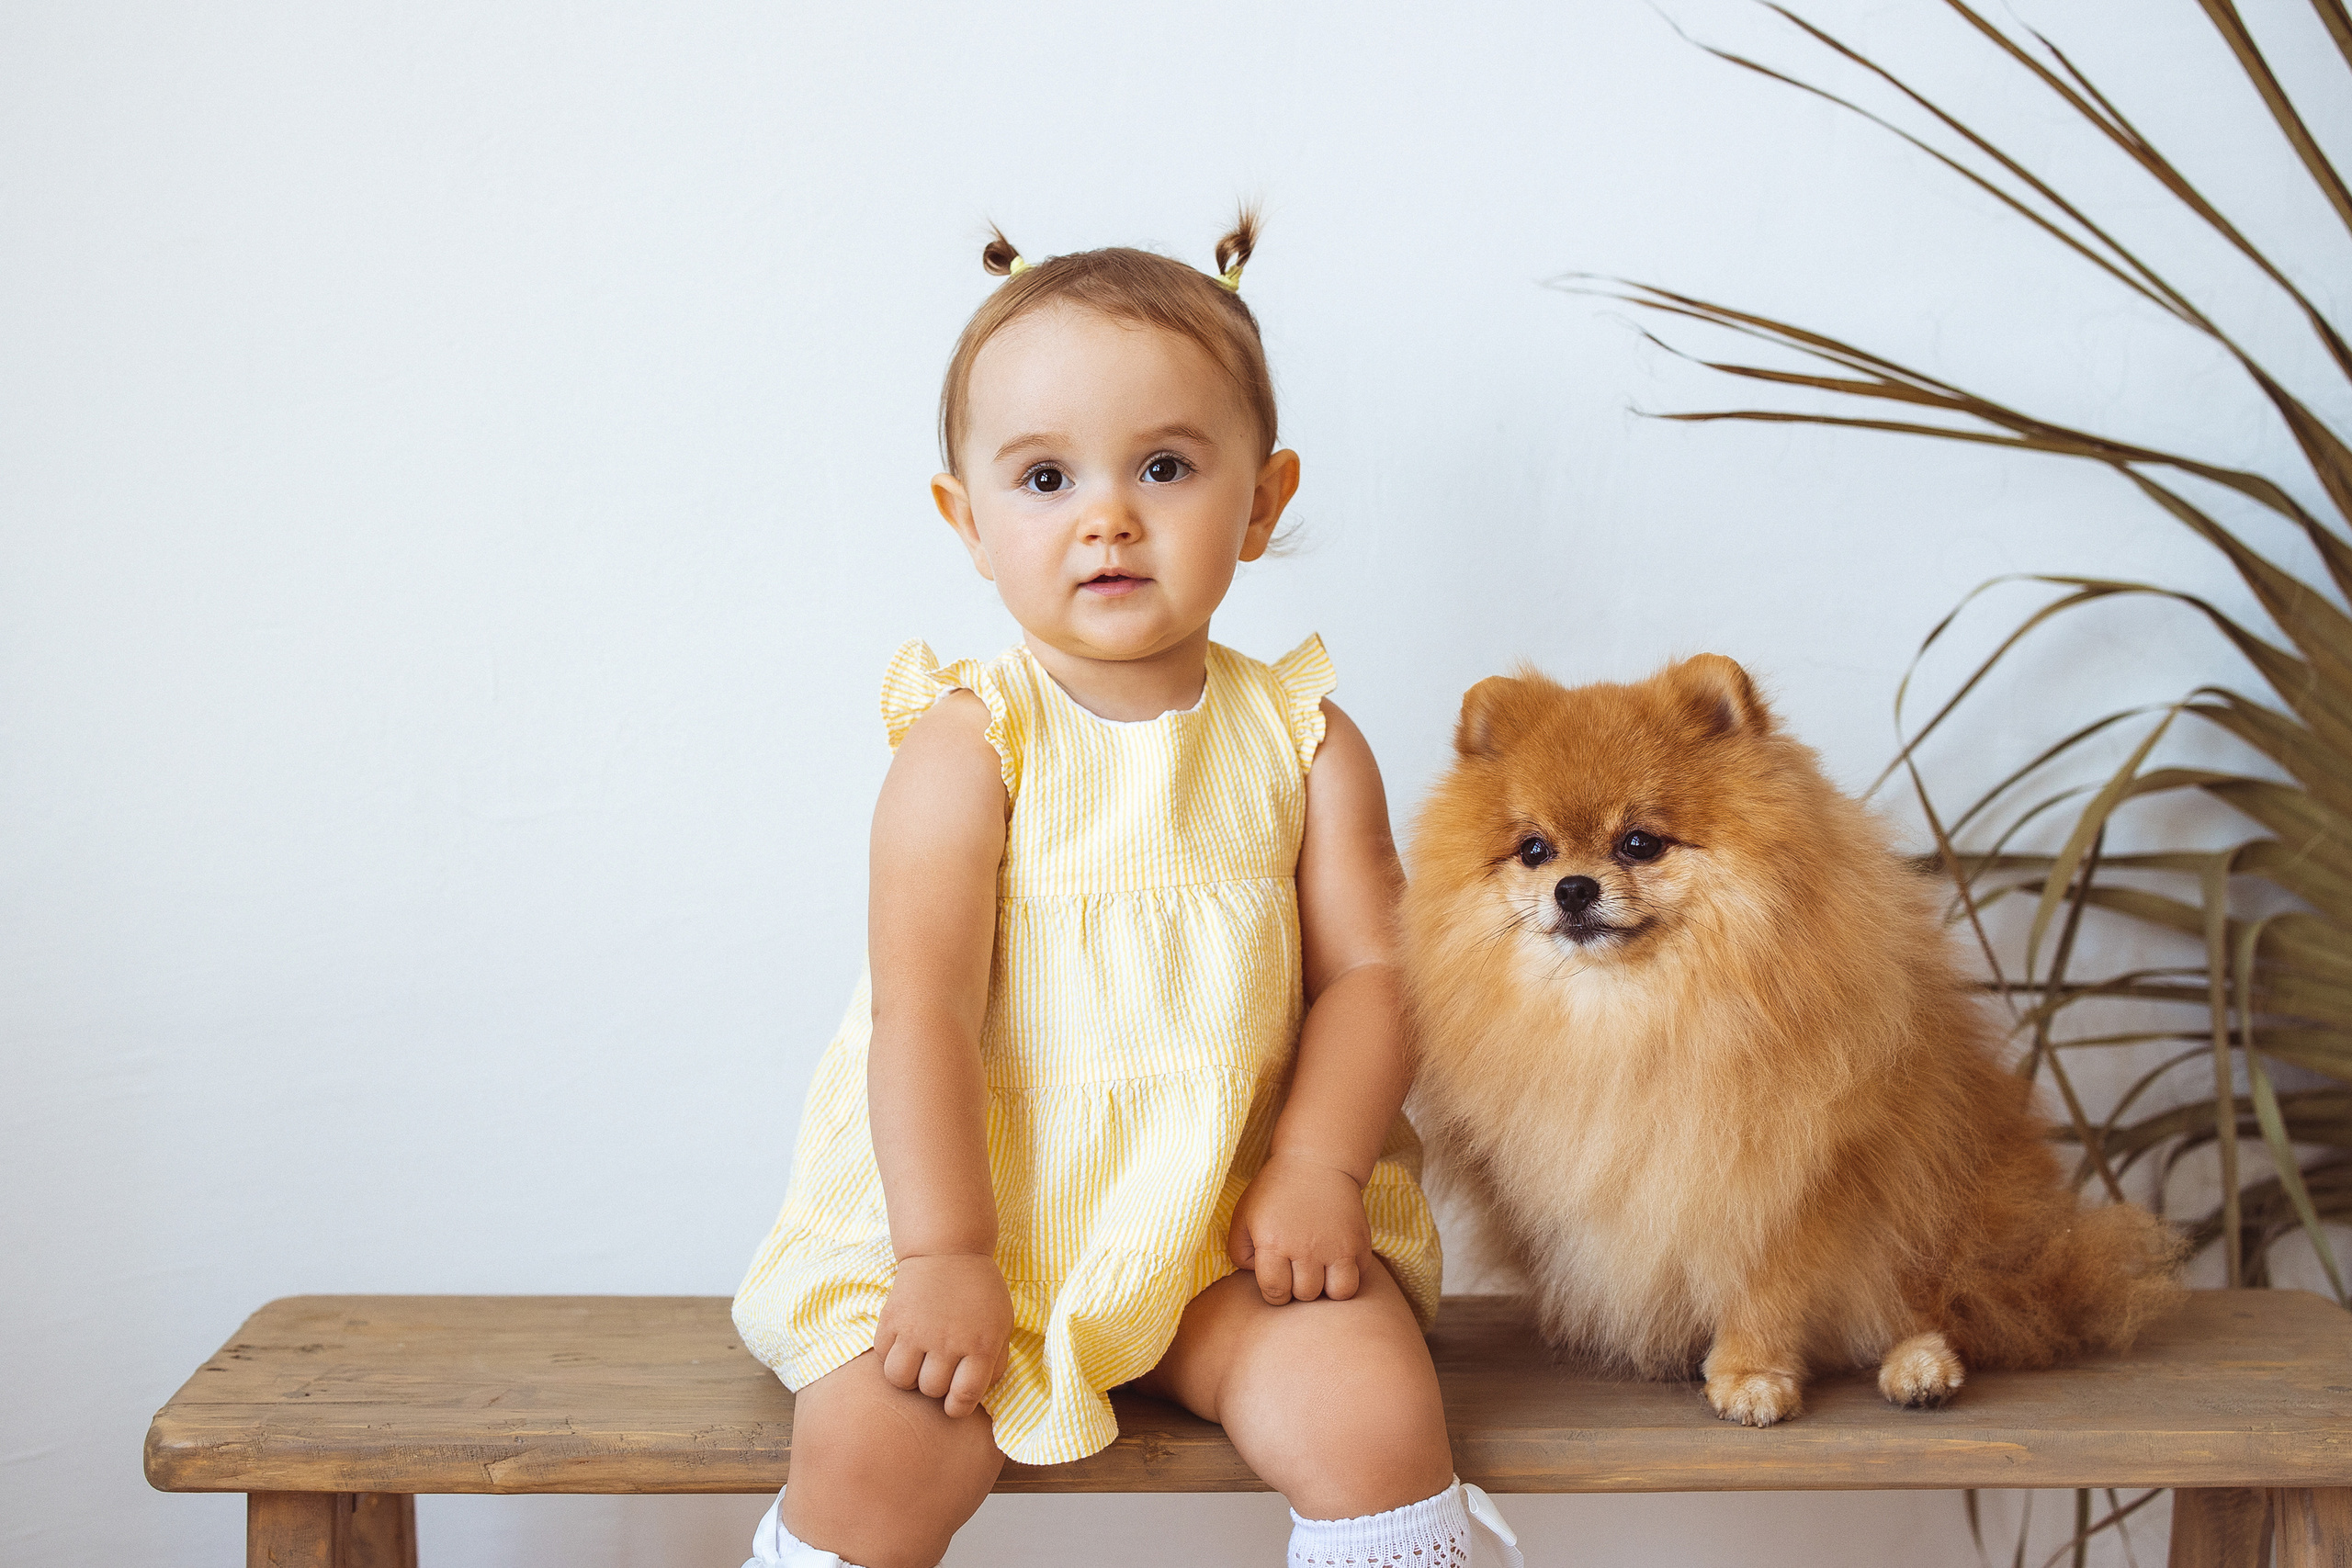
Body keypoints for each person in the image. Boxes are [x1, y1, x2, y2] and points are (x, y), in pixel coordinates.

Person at [733, 212, 1521, 1568]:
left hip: (1230, 1223)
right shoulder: (969, 743)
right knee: (877, 1448)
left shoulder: (1305, 741)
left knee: (1371, 1413)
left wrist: (1320, 1166)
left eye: (1163, 466)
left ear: (1261, 502)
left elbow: (1377, 979)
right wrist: (942, 1254)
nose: (1106, 516)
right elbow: (917, 1015)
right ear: (967, 520)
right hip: (980, 1225)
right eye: (1045, 478)